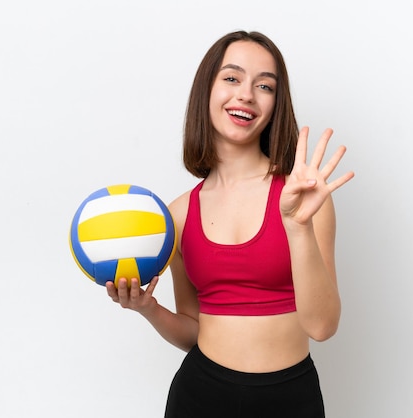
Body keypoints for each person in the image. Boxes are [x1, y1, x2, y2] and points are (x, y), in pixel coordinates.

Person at [106, 30, 354, 417]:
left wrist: (297, 227)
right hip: (199, 396)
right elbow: (193, 330)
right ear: (207, 89)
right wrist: (148, 308)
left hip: (290, 399)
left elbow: (322, 327)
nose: (246, 95)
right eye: (232, 78)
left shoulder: (304, 197)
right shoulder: (177, 215)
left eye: (265, 85)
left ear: (275, 104)